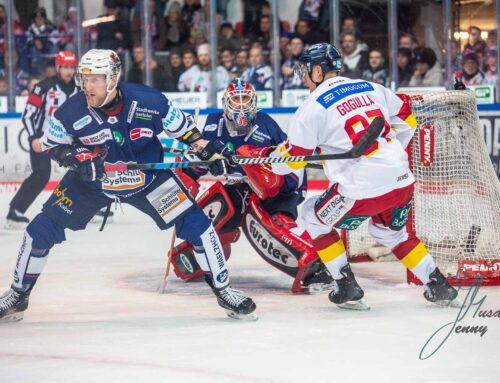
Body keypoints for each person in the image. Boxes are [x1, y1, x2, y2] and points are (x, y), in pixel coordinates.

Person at [0, 49, 256, 322]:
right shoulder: (71, 111)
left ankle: (224, 289)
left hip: (149, 181)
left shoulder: (150, 101)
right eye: (85, 78)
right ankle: (18, 295)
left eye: (95, 79)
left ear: (113, 78)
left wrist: (209, 152)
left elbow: (188, 134)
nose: (88, 86)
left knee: (199, 226)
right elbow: (50, 146)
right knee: (39, 229)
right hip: (91, 182)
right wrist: (75, 158)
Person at [245, 43, 458, 309]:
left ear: (319, 70)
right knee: (392, 233)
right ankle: (438, 284)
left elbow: (292, 159)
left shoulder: (312, 107)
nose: (303, 76)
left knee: (312, 215)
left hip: (361, 188)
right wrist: (392, 153)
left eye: (306, 70)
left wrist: (265, 158)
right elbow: (405, 111)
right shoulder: (369, 87)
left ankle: (346, 286)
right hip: (401, 178)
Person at [169, 79, 333, 293]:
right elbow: (201, 160)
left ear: (254, 101)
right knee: (210, 214)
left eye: (245, 98)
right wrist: (187, 176)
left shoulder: (266, 124)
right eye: (235, 99)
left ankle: (315, 267)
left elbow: (292, 163)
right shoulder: (212, 124)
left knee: (274, 224)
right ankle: (193, 258)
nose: (241, 105)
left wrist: (288, 188)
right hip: (239, 187)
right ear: (226, 103)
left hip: (276, 189)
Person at [5, 51, 79, 229]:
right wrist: (33, 138)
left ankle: (87, 208)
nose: (69, 71)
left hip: (68, 139)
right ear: (58, 67)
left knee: (83, 169)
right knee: (41, 174)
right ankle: (15, 211)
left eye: (72, 67)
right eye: (65, 67)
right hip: (43, 139)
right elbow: (28, 115)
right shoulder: (42, 87)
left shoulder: (79, 89)